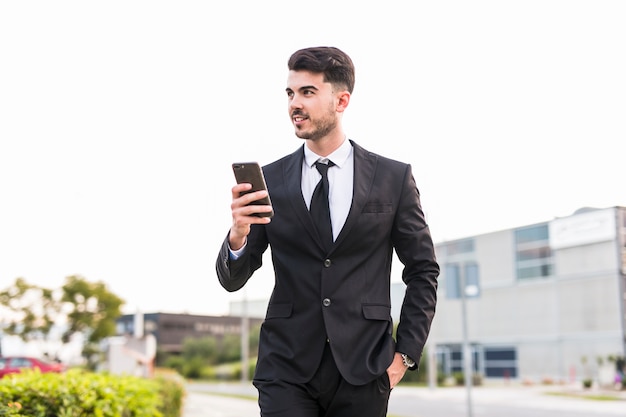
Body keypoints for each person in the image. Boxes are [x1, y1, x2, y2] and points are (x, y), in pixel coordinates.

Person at [216, 46, 439, 417]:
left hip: (364, 368)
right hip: (285, 368)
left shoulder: (391, 178)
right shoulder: (270, 180)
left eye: (307, 92)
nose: (294, 104)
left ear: (341, 100)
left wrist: (404, 356)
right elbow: (232, 280)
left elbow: (423, 271)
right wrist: (238, 234)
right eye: (290, 93)